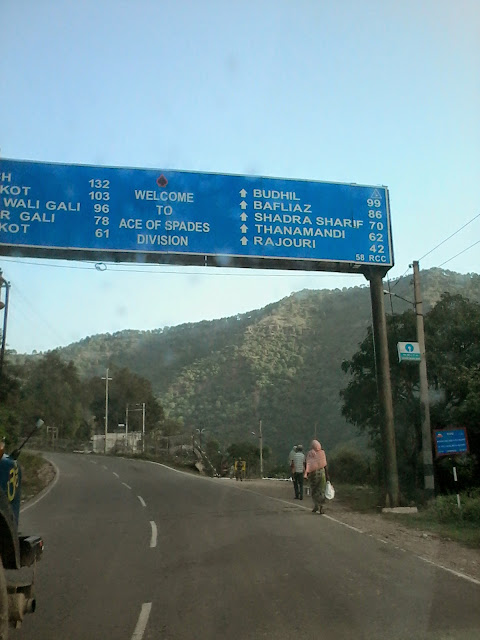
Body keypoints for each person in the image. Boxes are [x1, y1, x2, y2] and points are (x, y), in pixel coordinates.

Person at [305, 440, 329, 513]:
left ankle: (316, 506)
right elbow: (325, 465)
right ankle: (322, 507)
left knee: (314, 490)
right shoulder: (322, 453)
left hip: (313, 475)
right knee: (321, 490)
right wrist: (327, 475)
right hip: (322, 474)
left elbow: (308, 464)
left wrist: (306, 474)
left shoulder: (310, 453)